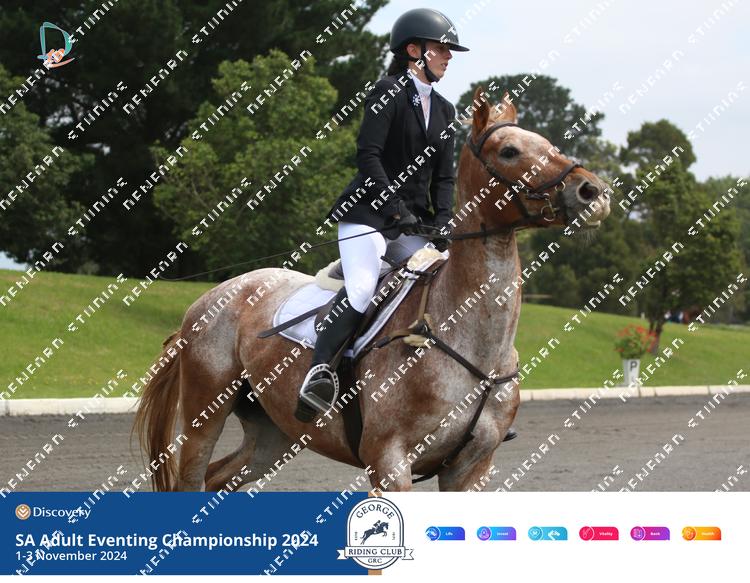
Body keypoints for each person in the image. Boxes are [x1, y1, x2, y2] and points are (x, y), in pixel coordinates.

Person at [294, 8, 518, 443]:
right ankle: (319, 373)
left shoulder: (445, 109)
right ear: (414, 51)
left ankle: (476, 396)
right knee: (362, 288)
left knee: (451, 289)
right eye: (441, 49)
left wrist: (442, 222)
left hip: (413, 225)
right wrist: (395, 208)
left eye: (449, 52)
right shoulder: (387, 91)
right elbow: (369, 157)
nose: (448, 58)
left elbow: (444, 178)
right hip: (368, 216)